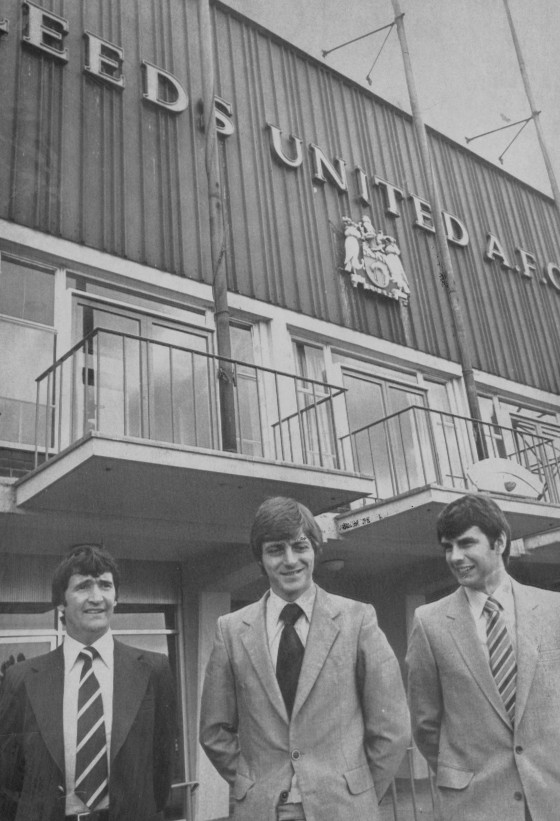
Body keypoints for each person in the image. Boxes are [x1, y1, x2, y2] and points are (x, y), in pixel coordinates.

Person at [200, 496, 410, 821]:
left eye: (300, 547)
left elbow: (392, 727)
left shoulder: (358, 620)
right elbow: (214, 730)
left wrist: (358, 791)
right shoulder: (230, 630)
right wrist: (253, 784)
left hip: (344, 809)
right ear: (260, 558)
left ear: (314, 549)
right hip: (263, 809)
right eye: (275, 550)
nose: (290, 560)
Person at [406, 493, 560, 821]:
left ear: (499, 541)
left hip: (550, 798)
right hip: (474, 806)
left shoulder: (554, 610)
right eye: (448, 547)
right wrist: (465, 775)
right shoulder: (428, 622)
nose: (455, 556)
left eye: (466, 543)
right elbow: (425, 724)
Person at [0, 545, 176, 821]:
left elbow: (162, 767)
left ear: (116, 598)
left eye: (105, 585)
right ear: (61, 602)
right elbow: (8, 777)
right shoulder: (21, 678)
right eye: (83, 587)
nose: (97, 597)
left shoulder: (154, 670)